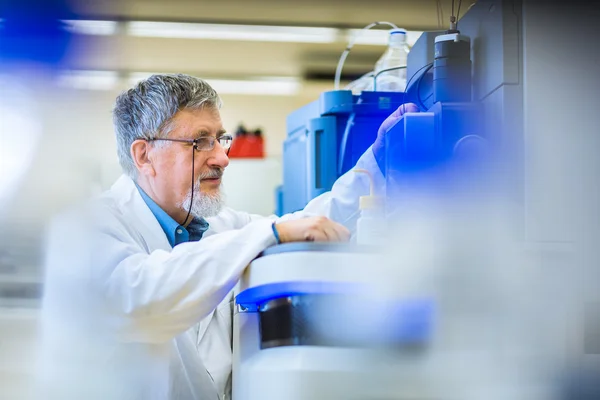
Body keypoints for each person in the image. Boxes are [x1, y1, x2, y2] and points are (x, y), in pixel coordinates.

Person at [37, 74, 417, 400]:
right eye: (200, 142)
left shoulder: (221, 228)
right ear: (144, 155)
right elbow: (139, 296)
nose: (222, 157)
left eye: (221, 139)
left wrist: (376, 163)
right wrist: (270, 233)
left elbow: (310, 227)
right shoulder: (86, 227)